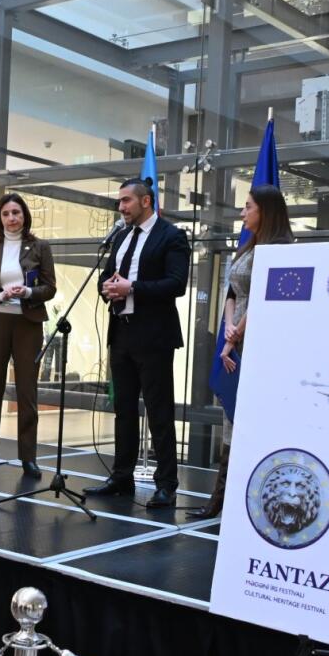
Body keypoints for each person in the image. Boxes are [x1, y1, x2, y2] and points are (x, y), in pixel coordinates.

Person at [85, 178, 190, 508]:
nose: (121, 207)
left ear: (146, 201)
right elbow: (106, 276)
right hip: (122, 333)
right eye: (120, 202)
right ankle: (121, 477)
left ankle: (166, 485)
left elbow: (176, 284)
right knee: (124, 411)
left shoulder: (171, 236)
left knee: (159, 412)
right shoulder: (121, 236)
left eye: (127, 200)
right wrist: (107, 288)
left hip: (153, 336)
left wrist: (131, 288)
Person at [192, 184, 295, 518]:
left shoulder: (280, 249)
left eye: (248, 206)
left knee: (250, 420)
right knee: (231, 417)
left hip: (259, 345)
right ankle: (220, 499)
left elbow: (266, 296)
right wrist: (228, 329)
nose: (242, 212)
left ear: (266, 210)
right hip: (236, 342)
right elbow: (232, 294)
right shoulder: (250, 246)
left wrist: (236, 335)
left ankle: (244, 500)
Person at [0, 192, 58, 477]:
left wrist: (28, 291)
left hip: (28, 324)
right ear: (0, 218)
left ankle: (28, 458)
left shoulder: (40, 247)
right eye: (6, 214)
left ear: (25, 216)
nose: (11, 218)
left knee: (27, 393)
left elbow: (50, 288)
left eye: (16, 213)